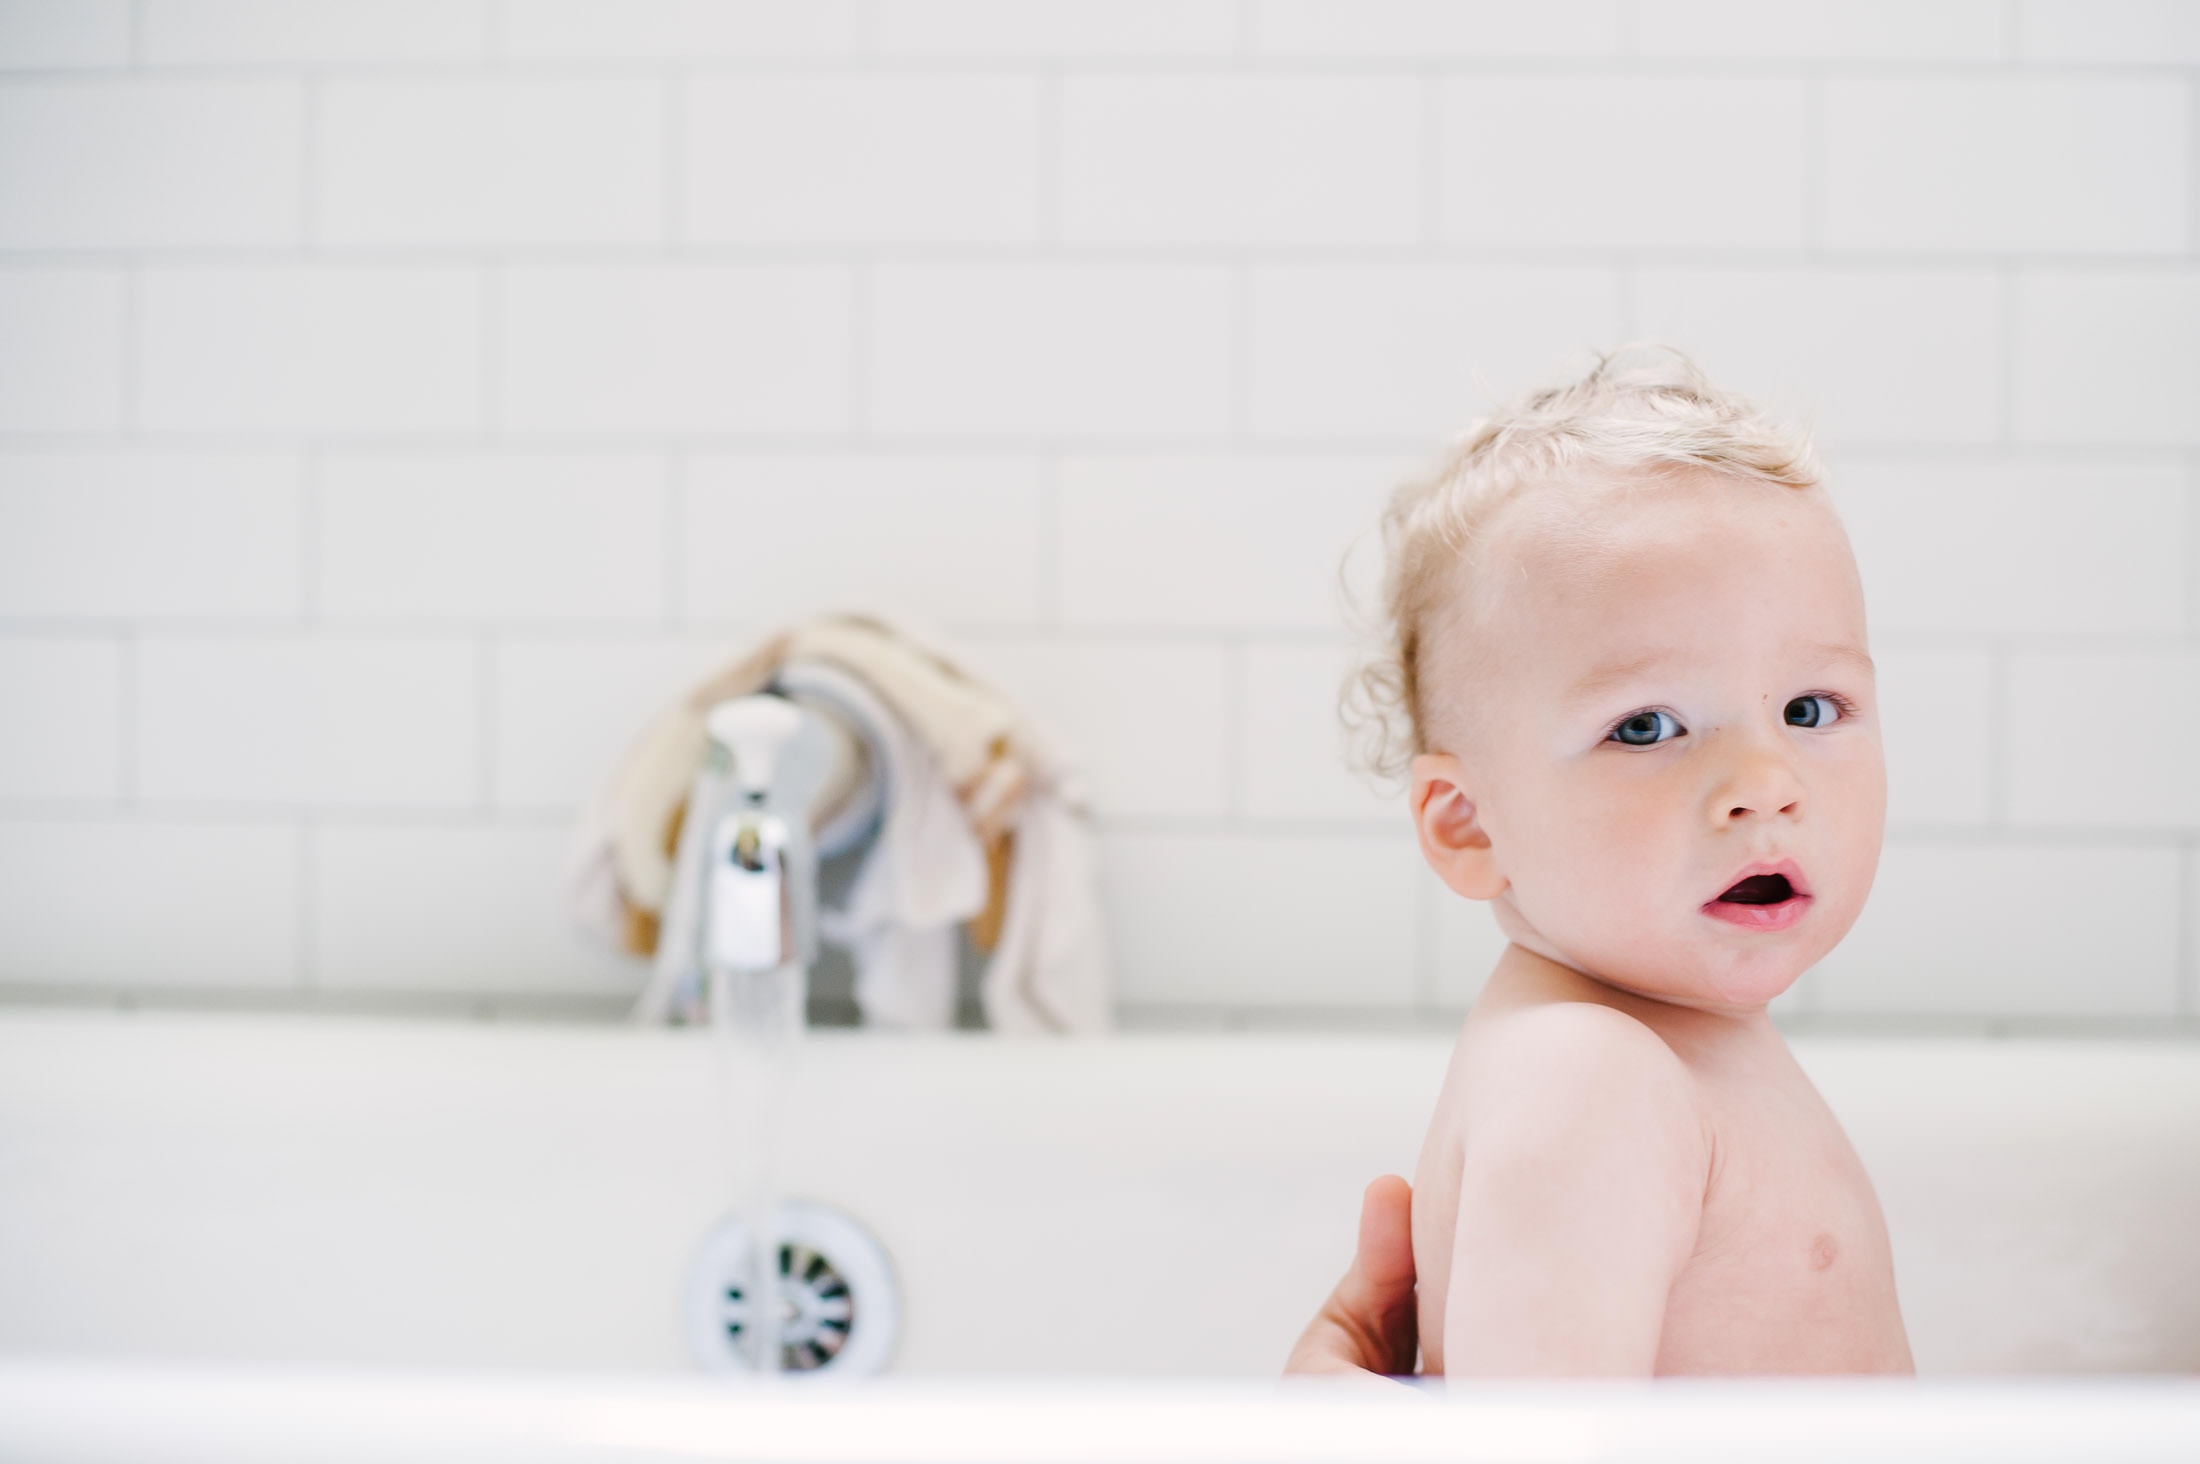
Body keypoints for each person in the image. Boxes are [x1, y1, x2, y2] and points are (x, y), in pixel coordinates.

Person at [1333, 347, 1915, 1379]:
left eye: (1808, 708)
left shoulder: (1665, 1050)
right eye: (1646, 726)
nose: (1764, 782)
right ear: (1469, 825)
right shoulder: (1590, 1078)